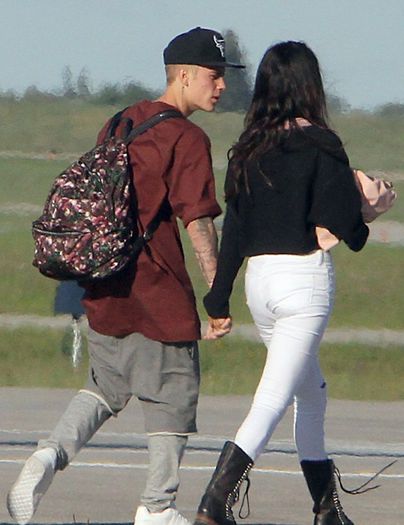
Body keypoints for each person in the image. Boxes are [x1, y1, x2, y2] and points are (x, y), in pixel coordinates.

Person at [7, 27, 242, 525]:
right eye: (214, 76)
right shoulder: (187, 138)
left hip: (104, 286)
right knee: (173, 392)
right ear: (183, 74)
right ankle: (158, 506)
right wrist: (217, 295)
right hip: (157, 291)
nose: (221, 86)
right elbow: (197, 220)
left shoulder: (119, 122)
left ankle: (47, 455)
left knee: (105, 387)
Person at [194, 41, 370, 525]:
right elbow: (347, 232)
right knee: (272, 399)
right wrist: (370, 207)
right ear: (311, 85)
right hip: (302, 283)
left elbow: (236, 232)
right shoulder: (323, 145)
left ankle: (326, 508)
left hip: (259, 285)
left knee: (309, 392)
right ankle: (214, 502)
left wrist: (218, 295)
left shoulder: (248, 149)